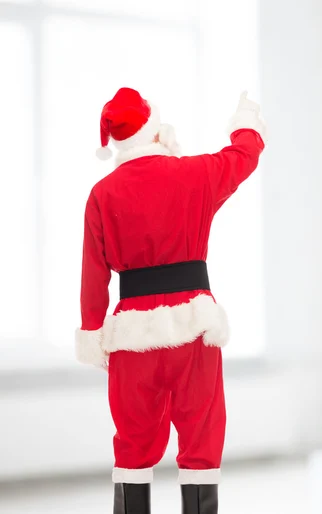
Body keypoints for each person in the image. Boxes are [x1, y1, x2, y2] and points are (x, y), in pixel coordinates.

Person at [75, 87, 266, 514]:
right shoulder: (194, 174)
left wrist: (92, 331)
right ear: (156, 131)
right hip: (193, 327)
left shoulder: (102, 194)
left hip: (131, 337)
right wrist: (246, 120)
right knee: (202, 437)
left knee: (132, 446)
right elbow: (243, 156)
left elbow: (93, 274)